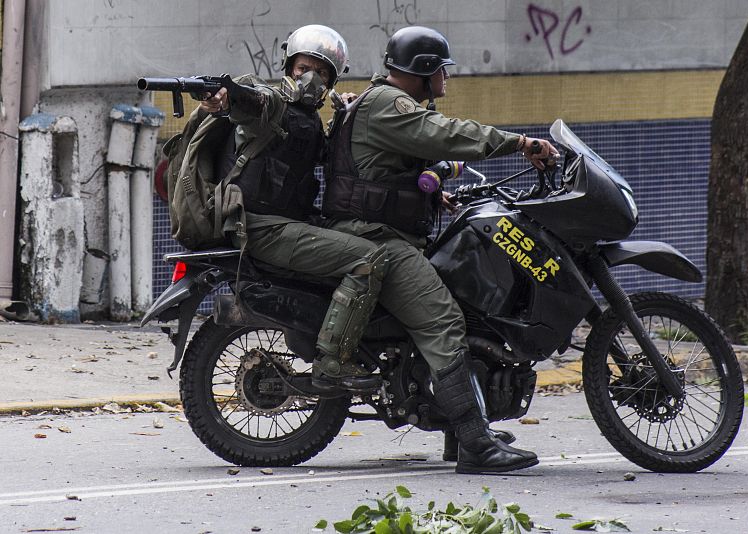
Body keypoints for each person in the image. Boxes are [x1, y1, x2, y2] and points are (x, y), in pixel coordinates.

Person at [321, 26, 559, 474]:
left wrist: (433, 194)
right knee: (443, 321)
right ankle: (475, 446)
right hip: (376, 238)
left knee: (463, 304)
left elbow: (384, 168)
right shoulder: (390, 103)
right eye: (442, 70)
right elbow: (446, 134)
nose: (447, 80)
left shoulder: (381, 101)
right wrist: (520, 143)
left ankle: (464, 424)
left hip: (383, 228)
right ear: (424, 70)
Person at [199, 24, 384, 390]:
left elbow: (335, 163)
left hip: (283, 222)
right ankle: (332, 361)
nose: (312, 78)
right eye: (304, 69)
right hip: (261, 226)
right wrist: (224, 98)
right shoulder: (274, 104)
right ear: (289, 67)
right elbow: (250, 101)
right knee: (369, 259)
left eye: (322, 72)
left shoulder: (309, 119)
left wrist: (346, 118)